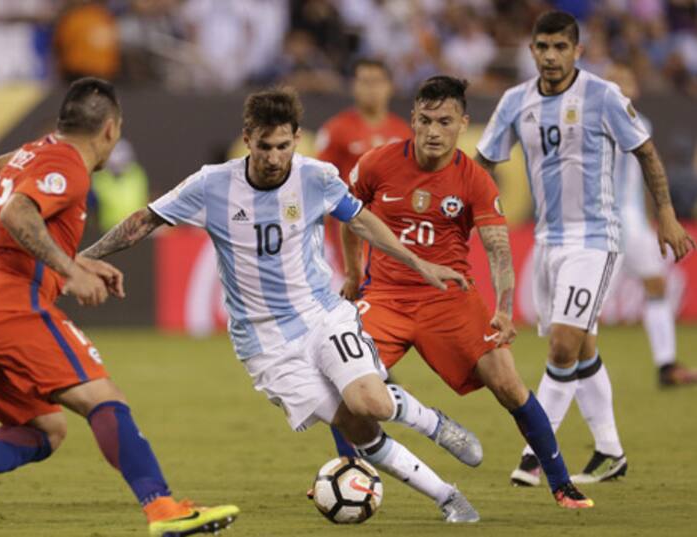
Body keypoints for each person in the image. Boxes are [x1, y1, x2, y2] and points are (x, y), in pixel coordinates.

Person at [81, 87, 483, 523]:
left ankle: (435, 424)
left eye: (284, 146)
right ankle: (448, 497)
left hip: (320, 315)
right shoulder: (211, 184)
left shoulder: (315, 177)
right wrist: (82, 259)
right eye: (266, 147)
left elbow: (363, 220)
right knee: (356, 425)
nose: (275, 158)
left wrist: (419, 262)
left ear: (296, 139)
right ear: (248, 139)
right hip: (264, 342)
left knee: (375, 403)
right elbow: (145, 220)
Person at [0, 77, 239, 537]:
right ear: (110, 130)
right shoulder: (67, 163)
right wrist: (69, 270)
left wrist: (79, 260)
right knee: (105, 401)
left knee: (46, 429)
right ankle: (163, 509)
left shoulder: (35, 151)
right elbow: (17, 215)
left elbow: (11, 235)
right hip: (8, 308)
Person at [339, 75, 592, 509]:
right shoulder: (378, 164)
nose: (433, 131)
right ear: (413, 121)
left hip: (450, 300)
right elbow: (349, 216)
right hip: (385, 297)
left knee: (509, 386)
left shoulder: (474, 180)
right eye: (424, 120)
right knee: (343, 390)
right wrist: (352, 273)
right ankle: (349, 478)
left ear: (463, 124)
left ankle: (561, 483)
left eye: (444, 121)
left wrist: (505, 309)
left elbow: (497, 250)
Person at [475, 11, 695, 487]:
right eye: (542, 47)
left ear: (577, 51)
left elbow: (646, 152)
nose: (550, 56)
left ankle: (535, 454)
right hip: (548, 241)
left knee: (562, 345)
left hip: (597, 238)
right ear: (531, 51)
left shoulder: (602, 96)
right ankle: (611, 453)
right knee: (584, 347)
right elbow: (483, 162)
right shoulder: (515, 102)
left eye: (560, 47)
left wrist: (667, 214)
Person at [604, 63, 697, 387]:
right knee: (591, 303)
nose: (619, 85)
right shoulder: (598, 121)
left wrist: (654, 220)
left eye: (625, 79)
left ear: (636, 88)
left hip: (632, 219)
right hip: (605, 222)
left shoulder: (642, 123)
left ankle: (666, 365)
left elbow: (642, 177)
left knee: (655, 283)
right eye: (613, 80)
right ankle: (568, 366)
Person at [316, 58, 411, 269]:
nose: (371, 89)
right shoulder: (337, 129)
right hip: (351, 226)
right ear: (354, 86)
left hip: (392, 227)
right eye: (365, 81)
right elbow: (321, 180)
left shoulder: (403, 132)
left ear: (389, 87)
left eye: (377, 81)